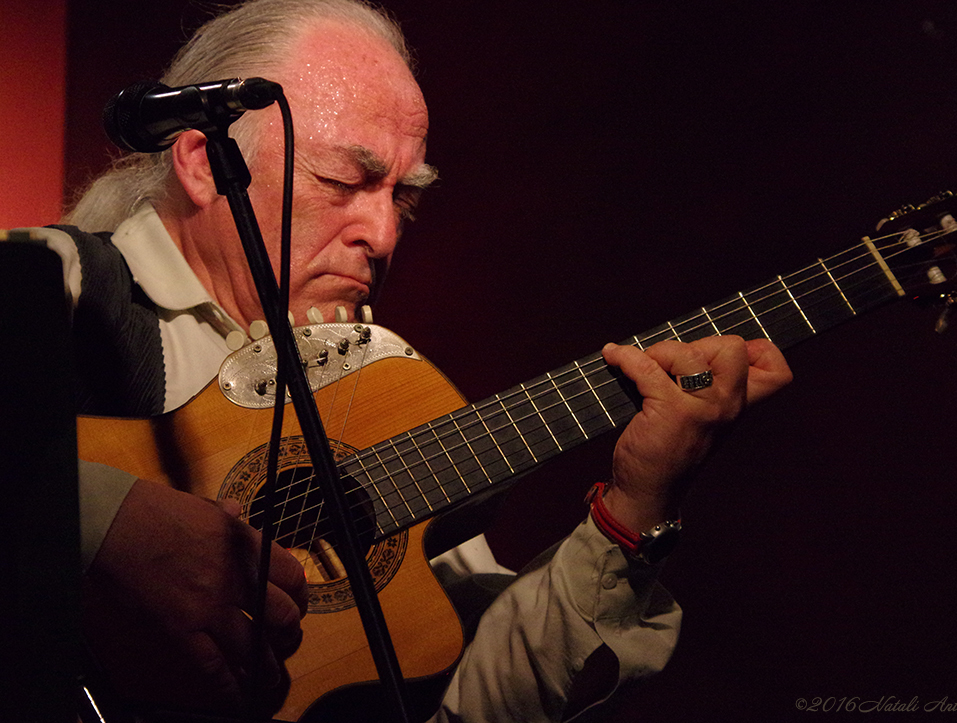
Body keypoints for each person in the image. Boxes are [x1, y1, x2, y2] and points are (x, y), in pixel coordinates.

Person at [24, 0, 792, 720]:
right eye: (343, 181)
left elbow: (474, 702)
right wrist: (103, 521)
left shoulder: (371, 382)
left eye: (403, 195)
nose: (384, 234)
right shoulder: (57, 284)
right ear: (199, 160)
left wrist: (634, 509)